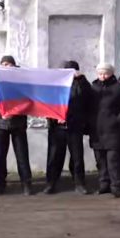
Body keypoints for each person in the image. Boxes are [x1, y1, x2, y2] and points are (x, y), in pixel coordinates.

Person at [0, 55, 33, 196]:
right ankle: (0, 183)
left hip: (18, 123)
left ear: (14, 65)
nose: (6, 66)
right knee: (0, 155)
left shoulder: (21, 79)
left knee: (22, 155)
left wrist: (14, 112)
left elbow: (28, 99)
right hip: (0, 123)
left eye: (9, 64)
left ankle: (26, 183)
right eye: (3, 64)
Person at [43, 60, 92, 195]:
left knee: (77, 157)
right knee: (54, 157)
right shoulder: (55, 85)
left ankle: (79, 183)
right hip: (57, 127)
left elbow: (88, 97)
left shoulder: (81, 84)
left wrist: (81, 79)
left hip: (74, 126)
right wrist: (54, 118)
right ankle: (51, 183)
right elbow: (48, 104)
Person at [89, 62, 120, 197]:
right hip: (97, 129)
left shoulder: (118, 87)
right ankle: (103, 184)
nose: (102, 76)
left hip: (113, 130)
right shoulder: (93, 87)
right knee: (100, 160)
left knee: (113, 159)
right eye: (100, 73)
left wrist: (118, 119)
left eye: (105, 73)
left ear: (111, 73)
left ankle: (115, 185)